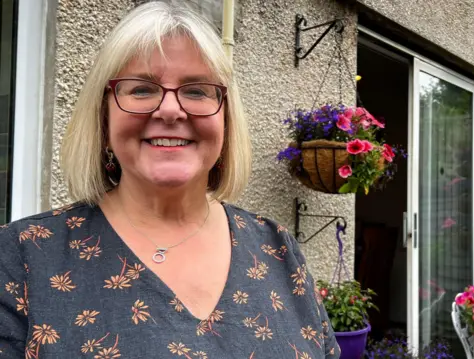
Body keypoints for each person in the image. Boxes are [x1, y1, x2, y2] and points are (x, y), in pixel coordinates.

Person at [0, 2, 340, 358]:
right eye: (142, 89)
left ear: (226, 121)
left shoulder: (278, 249)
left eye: (197, 91)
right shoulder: (23, 258)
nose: (170, 110)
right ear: (103, 119)